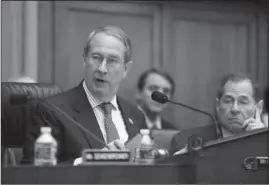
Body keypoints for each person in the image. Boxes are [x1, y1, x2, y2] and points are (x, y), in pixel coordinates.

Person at [22, 26, 146, 164]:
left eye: (112, 61)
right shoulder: (51, 110)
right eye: (96, 58)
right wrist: (87, 162)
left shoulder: (136, 116)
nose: (102, 69)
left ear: (126, 69)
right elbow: (33, 172)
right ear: (84, 61)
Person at [170, 73, 266, 155]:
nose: (235, 109)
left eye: (243, 102)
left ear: (258, 107)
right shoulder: (183, 141)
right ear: (217, 105)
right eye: (228, 101)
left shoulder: (265, 143)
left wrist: (261, 140)